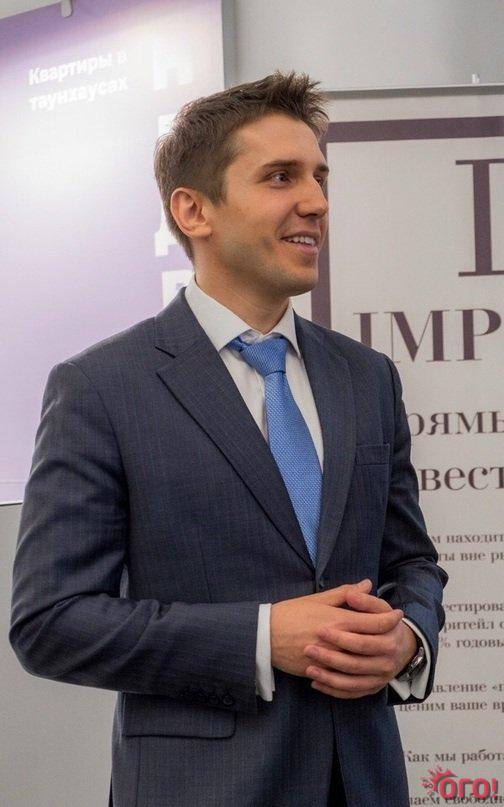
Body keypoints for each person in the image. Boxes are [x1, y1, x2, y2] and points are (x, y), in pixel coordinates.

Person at [10, 71, 448, 807]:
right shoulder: (101, 387)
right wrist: (261, 638)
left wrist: (408, 640)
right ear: (193, 210)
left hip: (366, 781)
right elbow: (51, 622)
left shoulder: (367, 377)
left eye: (319, 177)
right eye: (281, 177)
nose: (317, 201)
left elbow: (411, 562)